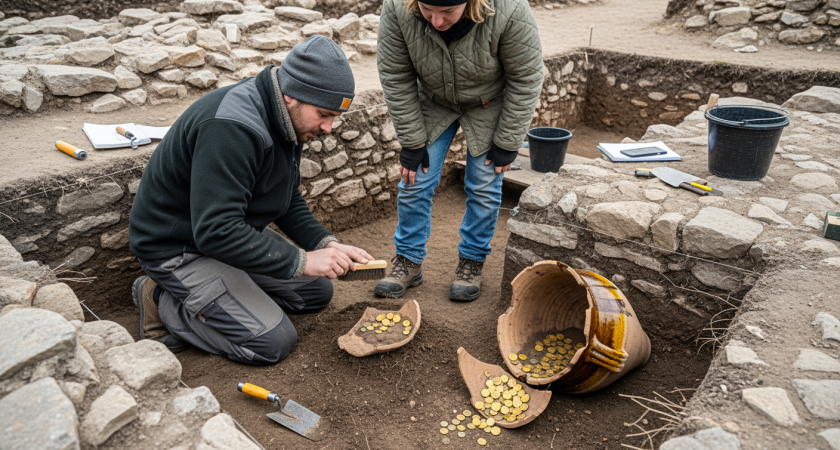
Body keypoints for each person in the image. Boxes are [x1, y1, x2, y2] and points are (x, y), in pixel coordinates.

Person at [128, 36, 373, 365]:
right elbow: (216, 230)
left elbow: (284, 196)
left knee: (316, 292)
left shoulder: (286, 117)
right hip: (177, 246)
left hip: (224, 233)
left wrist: (325, 244)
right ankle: (160, 299)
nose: (328, 127)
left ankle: (227, 291)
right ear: (291, 95)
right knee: (271, 342)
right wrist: (302, 260)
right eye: (324, 114)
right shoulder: (232, 128)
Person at [374, 0, 543, 301]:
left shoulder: (511, 9)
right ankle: (408, 260)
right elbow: (395, 75)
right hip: (433, 100)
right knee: (414, 180)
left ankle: (472, 260)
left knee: (484, 184)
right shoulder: (397, 7)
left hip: (488, 102)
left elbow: (526, 79)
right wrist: (412, 142)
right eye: (427, 9)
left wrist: (507, 142)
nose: (436, 22)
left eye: (447, 12)